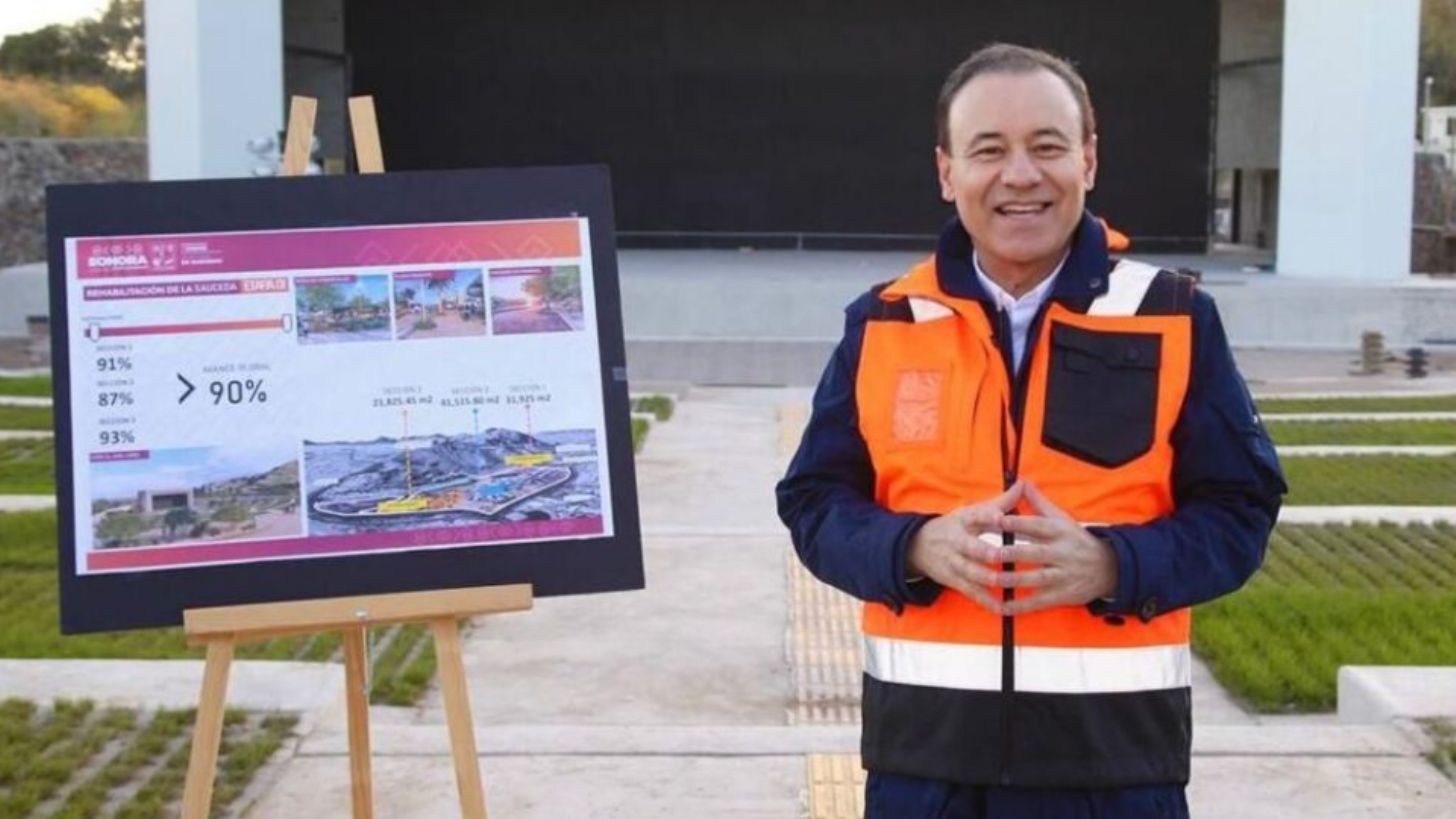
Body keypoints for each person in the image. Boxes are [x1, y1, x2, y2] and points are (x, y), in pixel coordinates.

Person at [776, 43, 1286, 819]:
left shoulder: (1172, 316)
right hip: (923, 773)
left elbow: (1240, 511)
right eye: (989, 150)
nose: (1020, 174)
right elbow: (813, 502)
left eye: (1047, 146)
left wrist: (1113, 564)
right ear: (947, 172)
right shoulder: (884, 322)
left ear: (1088, 159)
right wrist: (912, 547)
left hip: (1115, 774)